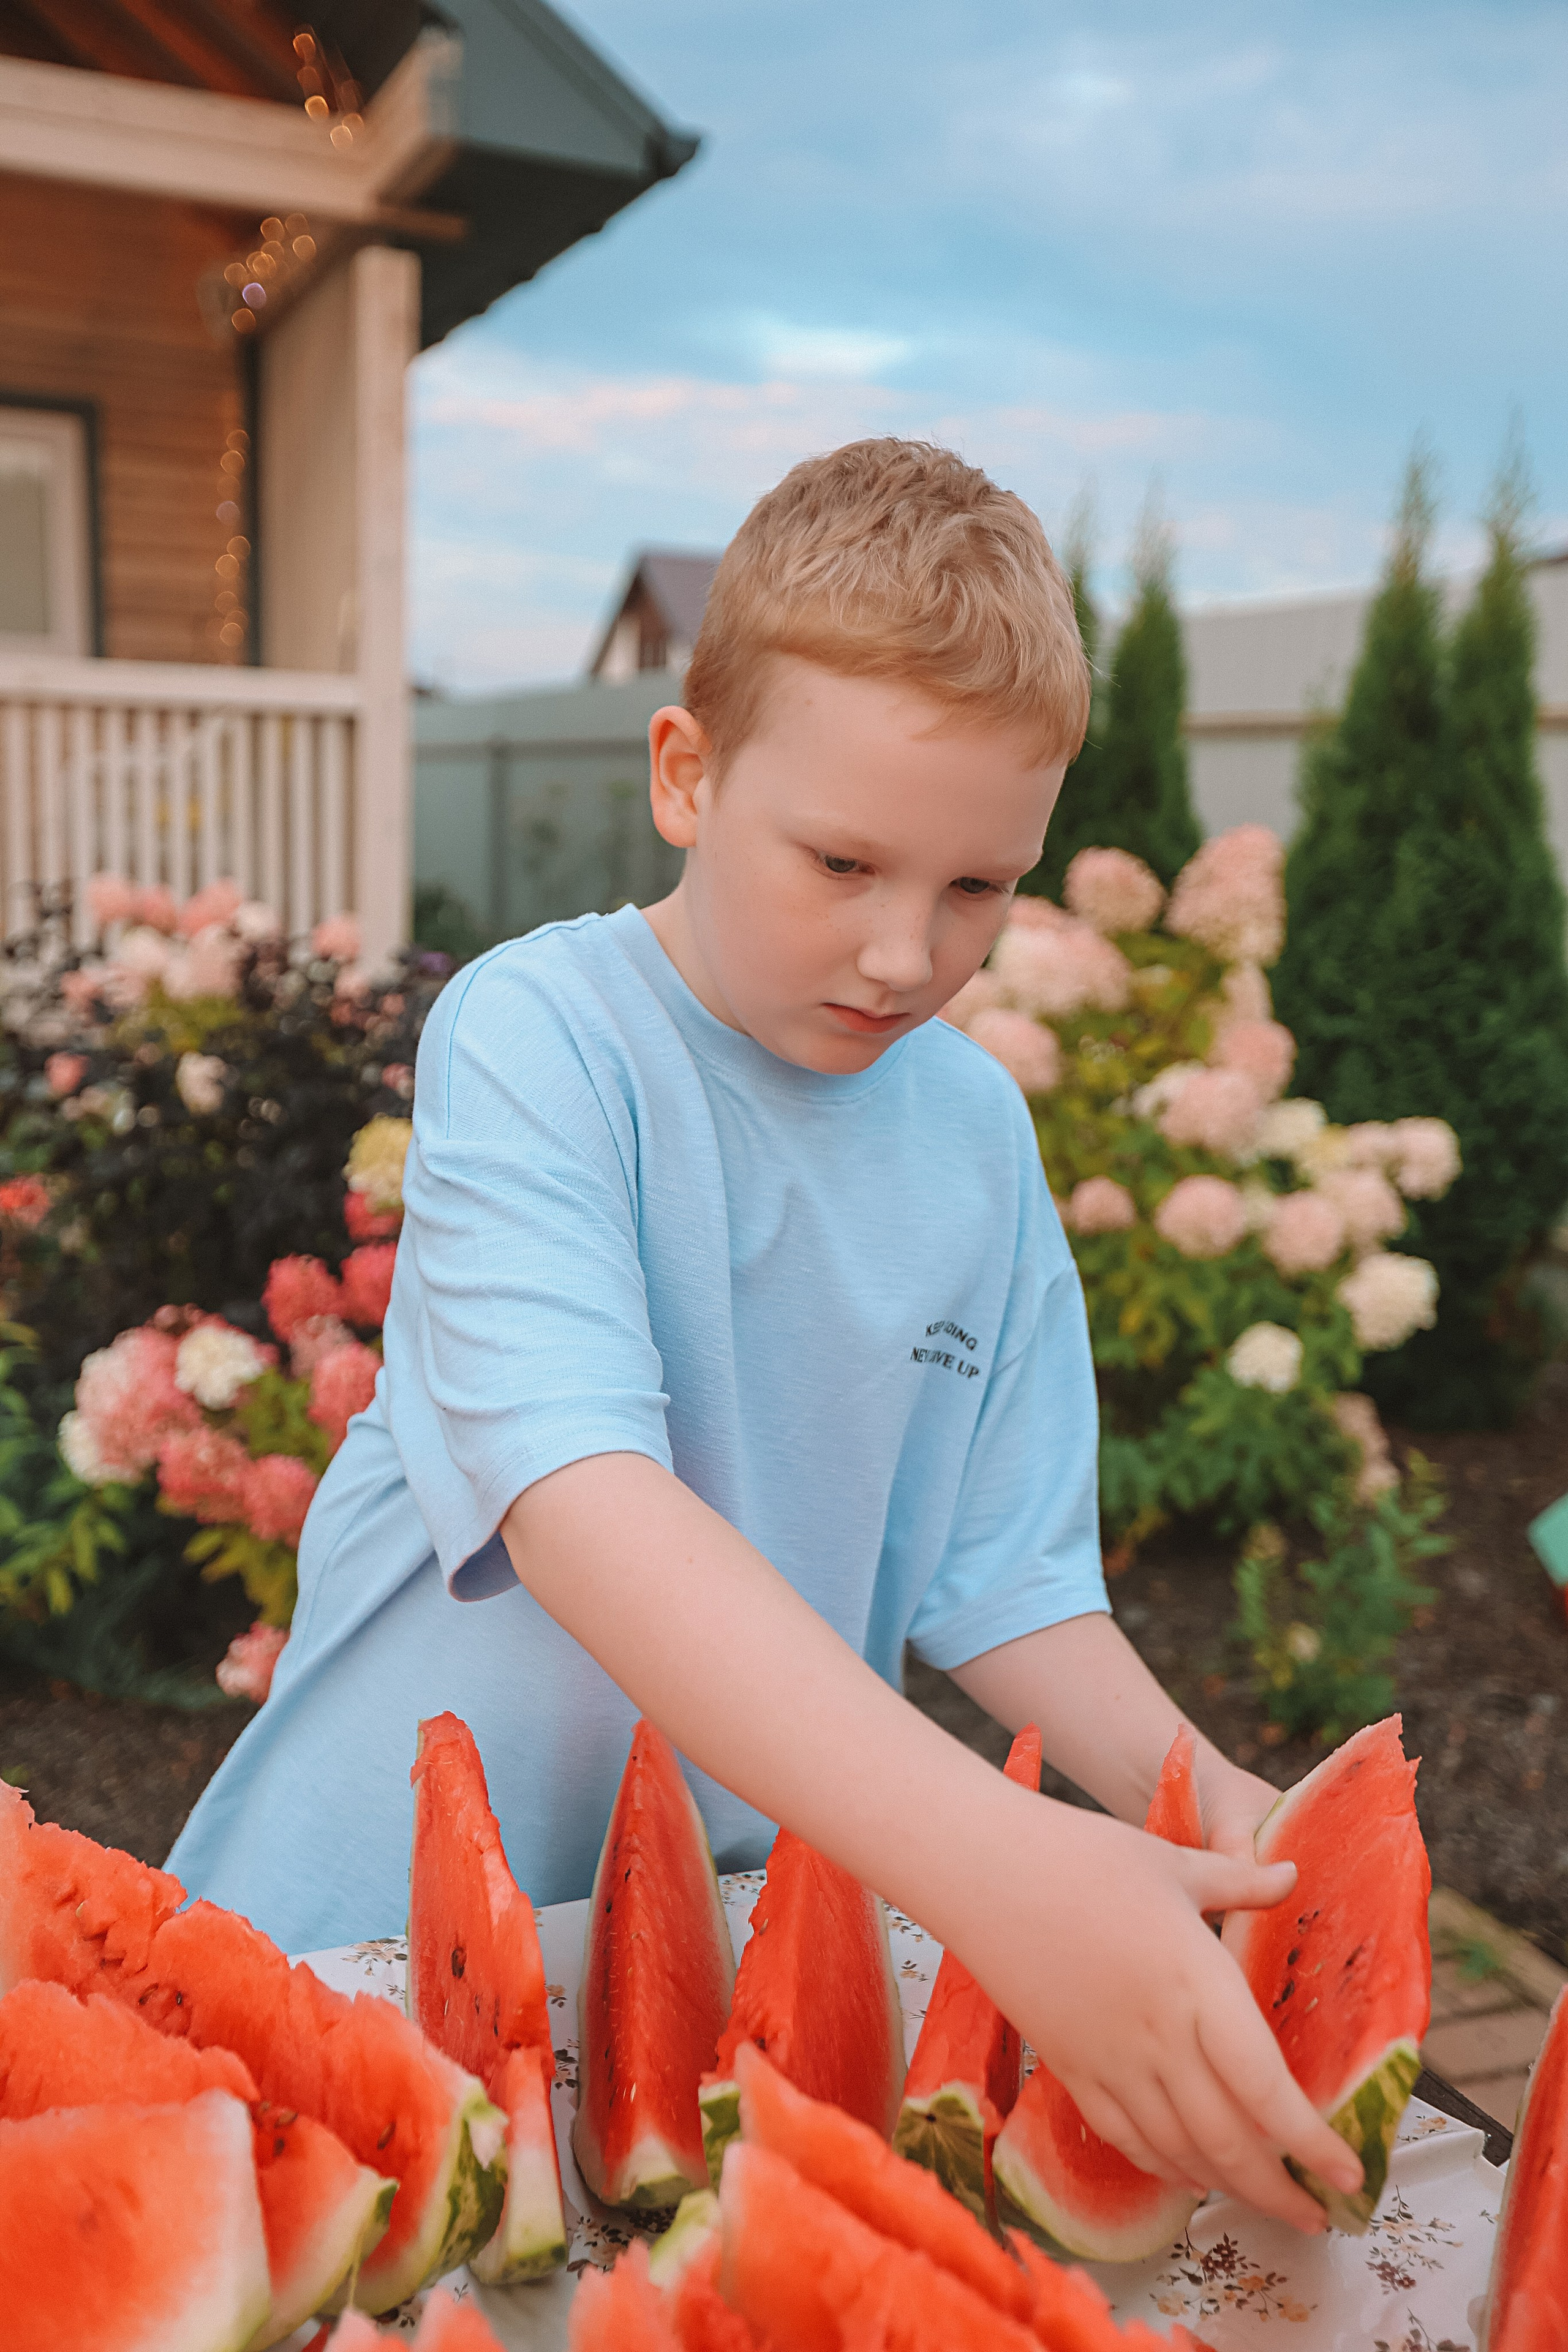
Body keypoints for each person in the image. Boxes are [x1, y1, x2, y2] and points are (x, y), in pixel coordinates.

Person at [171, 438, 1359, 2230]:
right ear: (686, 772)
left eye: (979, 888)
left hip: (720, 1968)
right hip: (352, 1943)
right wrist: (1002, 1866)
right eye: (844, 862)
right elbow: (583, 1507)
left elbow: (1003, 1576)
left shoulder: (977, 1139)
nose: (904, 952)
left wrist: (1218, 1812)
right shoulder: (544, 1038)